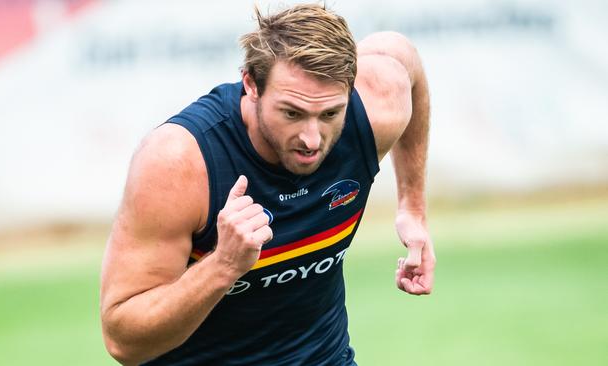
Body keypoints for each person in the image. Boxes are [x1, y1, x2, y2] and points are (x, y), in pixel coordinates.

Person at [100, 4, 435, 365]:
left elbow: (404, 57)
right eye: (292, 113)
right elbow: (124, 340)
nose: (311, 139)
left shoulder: (372, 110)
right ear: (251, 84)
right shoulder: (180, 163)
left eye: (329, 114)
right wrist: (222, 266)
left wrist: (412, 207)